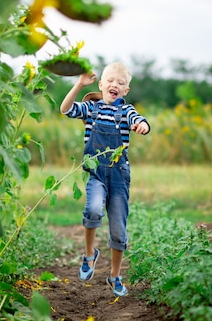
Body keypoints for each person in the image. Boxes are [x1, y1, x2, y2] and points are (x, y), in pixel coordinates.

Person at [60, 62, 150, 297]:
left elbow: (140, 120)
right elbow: (65, 109)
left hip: (119, 176)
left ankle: (115, 276)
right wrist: (79, 83)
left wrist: (141, 125)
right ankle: (89, 254)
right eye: (110, 80)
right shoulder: (91, 108)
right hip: (97, 172)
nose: (115, 85)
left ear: (125, 91)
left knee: (119, 231)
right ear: (101, 85)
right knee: (92, 211)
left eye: (121, 83)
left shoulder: (127, 111)